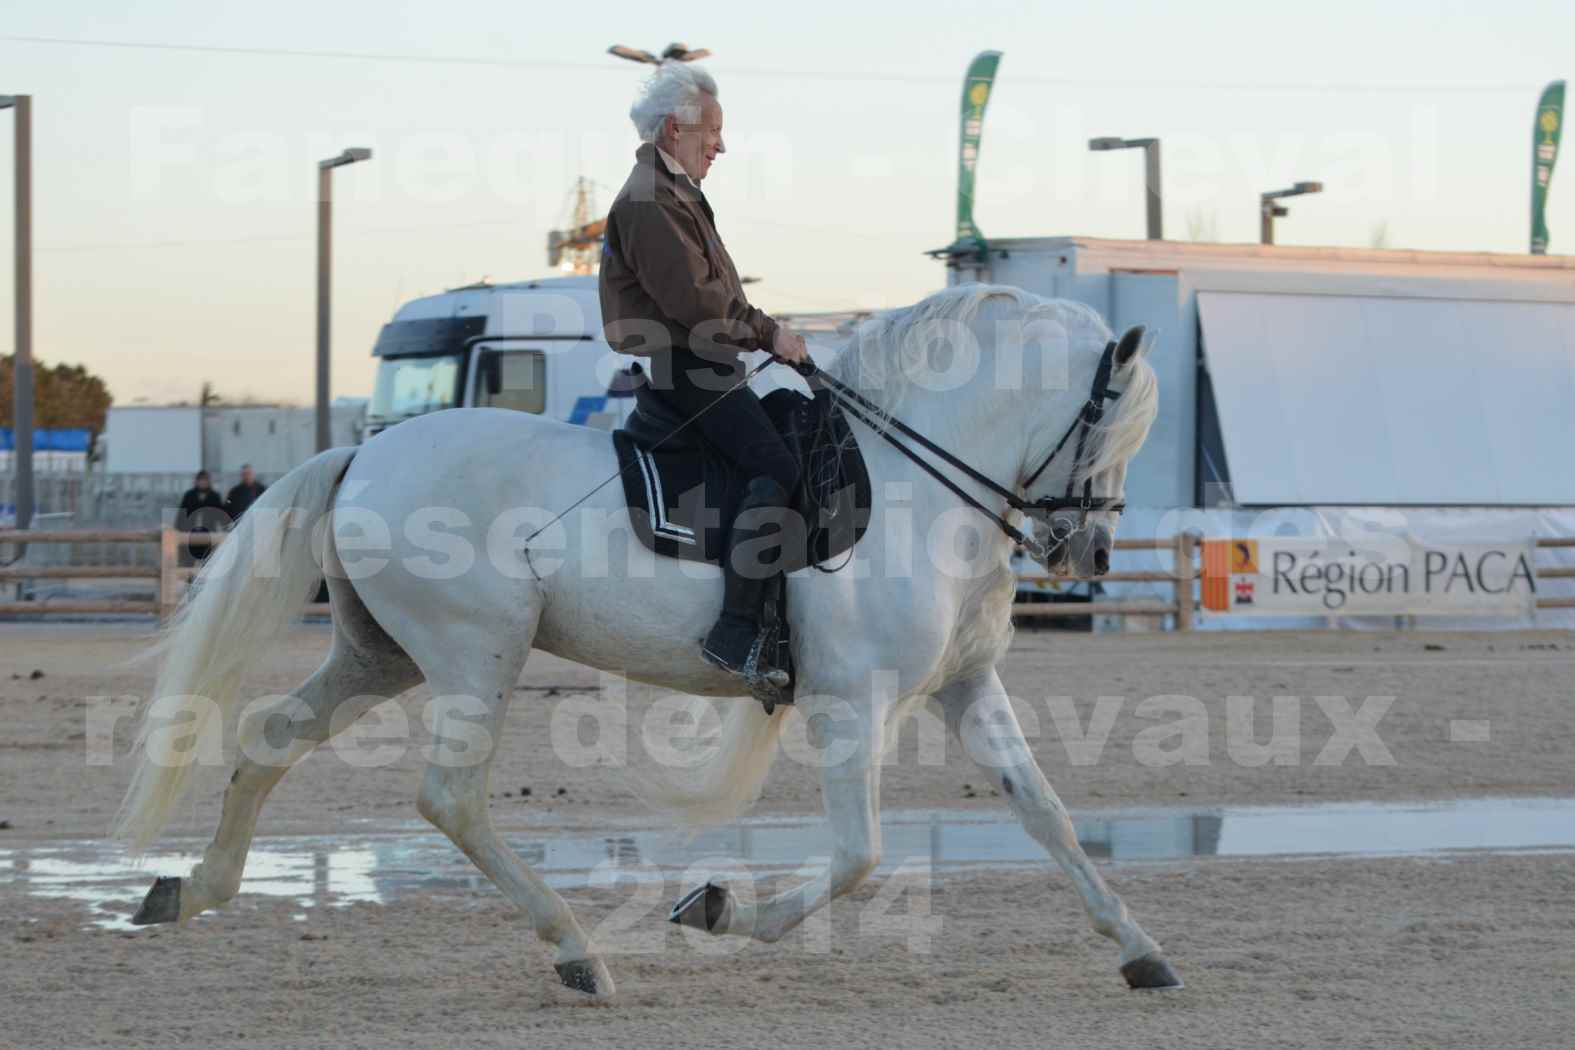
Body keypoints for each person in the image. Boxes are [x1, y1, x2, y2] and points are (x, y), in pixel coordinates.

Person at [599, 62, 808, 680]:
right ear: (674, 129)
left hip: (709, 359)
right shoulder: (649, 200)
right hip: (689, 366)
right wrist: (769, 331)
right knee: (775, 464)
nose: (721, 144)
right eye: (712, 131)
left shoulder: (675, 193)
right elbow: (696, 303)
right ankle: (737, 633)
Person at [177, 470, 227, 563]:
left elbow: (221, 515)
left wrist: (226, 527)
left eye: (205, 480)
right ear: (196, 481)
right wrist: (178, 530)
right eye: (200, 480)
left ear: (208, 481)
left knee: (208, 561)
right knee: (189, 561)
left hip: (209, 532)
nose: (203, 482)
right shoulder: (189, 495)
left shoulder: (214, 496)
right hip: (191, 533)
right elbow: (181, 514)